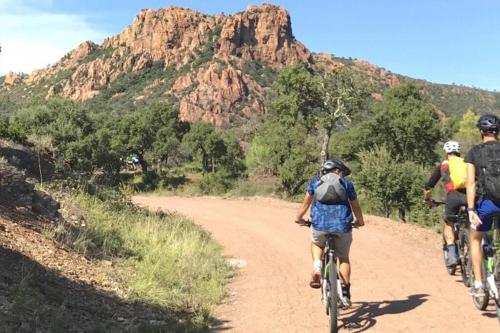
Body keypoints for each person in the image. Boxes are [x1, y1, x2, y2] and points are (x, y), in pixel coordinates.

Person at [295, 159, 365, 306]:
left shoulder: (315, 182)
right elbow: (356, 206)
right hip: (342, 225)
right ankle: (345, 293)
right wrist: (359, 221)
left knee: (316, 243)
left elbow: (306, 203)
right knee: (343, 258)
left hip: (320, 224)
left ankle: (317, 267)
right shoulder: (346, 183)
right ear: (338, 171)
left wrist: (299, 218)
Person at [464, 113, 500, 297]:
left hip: (487, 204)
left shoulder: (474, 152)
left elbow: (470, 183)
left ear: (481, 132)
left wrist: (471, 209)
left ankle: (478, 284)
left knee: (475, 238)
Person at [423, 141, 467, 267]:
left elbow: (429, 185)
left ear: (446, 152)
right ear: (459, 152)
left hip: (453, 197)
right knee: (470, 224)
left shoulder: (443, 165)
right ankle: (470, 250)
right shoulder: (467, 163)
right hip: (470, 196)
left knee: (449, 224)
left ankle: (452, 254)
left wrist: (427, 199)